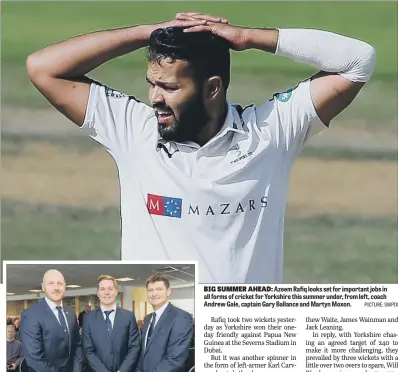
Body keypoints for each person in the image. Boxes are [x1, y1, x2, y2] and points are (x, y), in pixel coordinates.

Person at [26, 12, 376, 283]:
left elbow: (359, 60)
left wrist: (249, 37)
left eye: (169, 88)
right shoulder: (133, 130)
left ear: (212, 89)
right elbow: (43, 67)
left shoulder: (271, 132)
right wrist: (148, 33)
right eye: (151, 84)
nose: (154, 99)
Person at [20, 269, 83, 372]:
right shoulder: (31, 315)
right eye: (51, 283)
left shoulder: (70, 313)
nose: (56, 287)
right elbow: (34, 358)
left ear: (65, 286)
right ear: (43, 287)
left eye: (60, 283)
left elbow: (77, 344)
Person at [135, 274, 193, 372]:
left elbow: (175, 358)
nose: (154, 293)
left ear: (168, 291)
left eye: (159, 289)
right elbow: (142, 352)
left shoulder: (181, 317)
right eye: (150, 290)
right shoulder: (147, 319)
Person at [82, 275, 140, 372]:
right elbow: (87, 350)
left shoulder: (129, 316)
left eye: (110, 288)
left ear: (116, 291)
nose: (106, 292)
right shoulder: (88, 318)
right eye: (102, 289)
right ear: (98, 293)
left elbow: (134, 347)